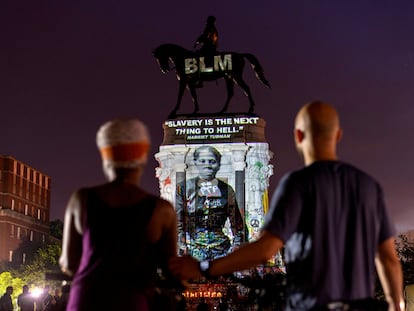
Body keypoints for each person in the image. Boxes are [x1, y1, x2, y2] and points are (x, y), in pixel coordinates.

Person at [169, 101, 405, 311]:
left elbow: (265, 250)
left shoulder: (296, 184)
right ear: (338, 135)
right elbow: (388, 259)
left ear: (298, 136)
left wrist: (204, 268)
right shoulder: (369, 186)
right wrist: (396, 304)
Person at [59, 118, 178, 311]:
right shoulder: (161, 209)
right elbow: (171, 270)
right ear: (143, 157)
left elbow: (68, 262)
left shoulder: (81, 199)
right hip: (132, 300)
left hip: (86, 299)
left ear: (106, 157)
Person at [175, 145, 245, 261]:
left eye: (212, 161)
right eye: (202, 161)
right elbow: (178, 219)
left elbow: (237, 222)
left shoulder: (227, 190)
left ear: (218, 165)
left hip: (221, 250)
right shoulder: (183, 187)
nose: (207, 166)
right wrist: (182, 244)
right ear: (196, 162)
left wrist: (237, 245)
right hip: (194, 251)